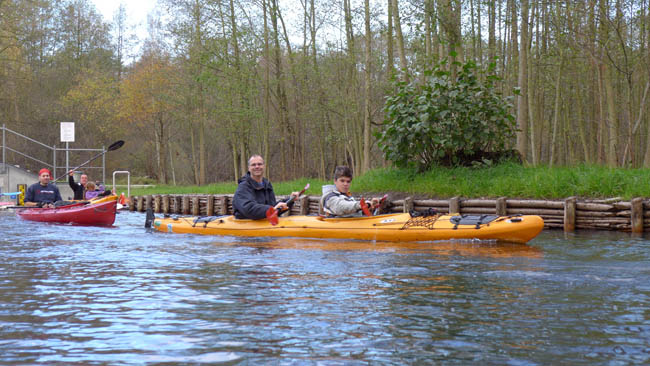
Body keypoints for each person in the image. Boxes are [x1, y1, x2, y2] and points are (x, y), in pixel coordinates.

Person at [232, 155, 298, 220]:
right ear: (249, 168)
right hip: (246, 225)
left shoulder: (267, 184)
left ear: (264, 166)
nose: (257, 167)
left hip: (264, 224)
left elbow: (273, 207)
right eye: (253, 165)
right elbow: (249, 209)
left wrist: (290, 200)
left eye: (259, 164)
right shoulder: (243, 187)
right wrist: (271, 209)